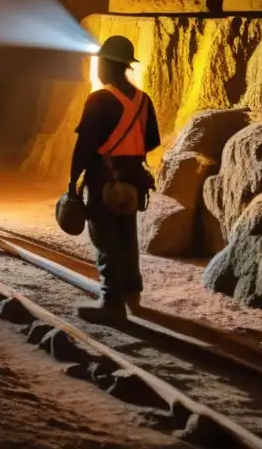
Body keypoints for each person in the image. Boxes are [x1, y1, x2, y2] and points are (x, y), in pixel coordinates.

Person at [64, 35, 160, 323]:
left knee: (106, 240)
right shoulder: (144, 101)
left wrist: (72, 184)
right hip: (132, 182)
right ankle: (133, 293)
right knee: (127, 236)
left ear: (107, 65)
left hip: (103, 181)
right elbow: (151, 141)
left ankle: (111, 302)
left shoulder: (99, 99)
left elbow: (84, 147)